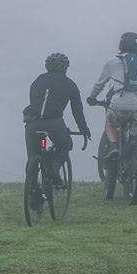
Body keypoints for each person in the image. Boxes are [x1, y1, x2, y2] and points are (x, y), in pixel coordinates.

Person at [86, 33, 137, 200]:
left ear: (121, 46)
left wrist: (92, 98)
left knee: (110, 121)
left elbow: (100, 84)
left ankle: (113, 145)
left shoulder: (113, 62)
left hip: (119, 107)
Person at [24, 53, 91, 203]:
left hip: (32, 122)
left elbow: (34, 100)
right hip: (54, 122)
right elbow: (77, 111)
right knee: (64, 145)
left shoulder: (38, 81)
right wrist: (84, 129)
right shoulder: (70, 84)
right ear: (66, 68)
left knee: (33, 155)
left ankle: (32, 191)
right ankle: (54, 168)